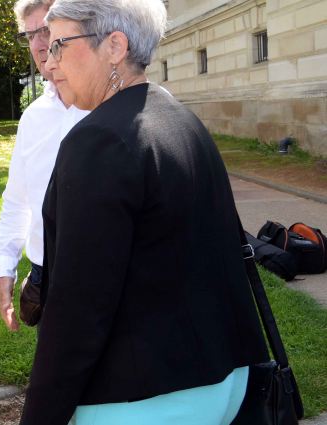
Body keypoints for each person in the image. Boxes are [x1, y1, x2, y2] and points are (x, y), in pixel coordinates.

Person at [18, 0, 270, 423]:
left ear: (115, 45)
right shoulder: (181, 120)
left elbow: (79, 309)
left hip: (147, 397)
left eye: (60, 43)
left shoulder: (97, 140)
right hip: (225, 379)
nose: (50, 57)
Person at [0, 0, 89, 331]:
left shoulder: (108, 108)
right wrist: (5, 269)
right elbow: (17, 200)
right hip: (43, 275)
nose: (38, 43)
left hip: (102, 273)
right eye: (30, 34)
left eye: (46, 30)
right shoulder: (32, 118)